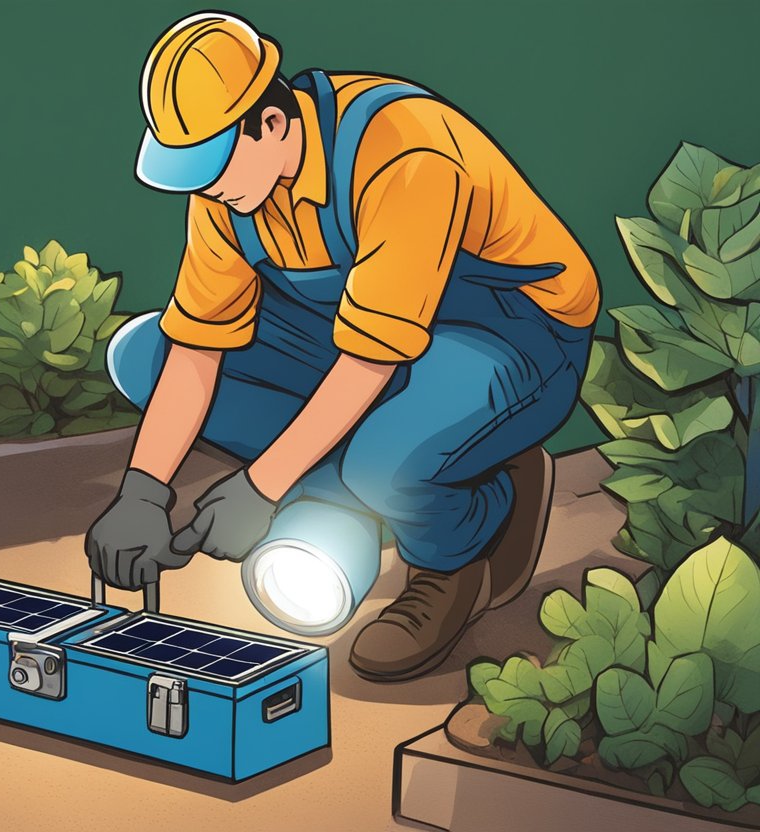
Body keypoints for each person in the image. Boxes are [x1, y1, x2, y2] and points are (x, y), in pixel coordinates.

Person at [85, 11, 600, 681]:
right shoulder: (227, 191)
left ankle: (461, 554)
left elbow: (371, 359)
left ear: (270, 122)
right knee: (143, 357)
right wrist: (142, 492)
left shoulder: (402, 150)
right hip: (352, 329)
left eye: (211, 166)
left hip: (513, 332)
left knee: (384, 467)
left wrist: (261, 486)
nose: (206, 188)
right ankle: (418, 468)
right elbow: (197, 348)